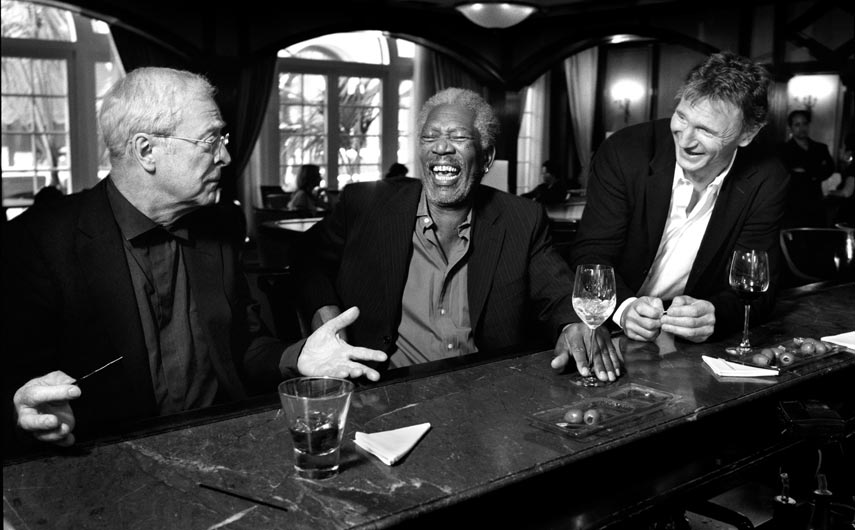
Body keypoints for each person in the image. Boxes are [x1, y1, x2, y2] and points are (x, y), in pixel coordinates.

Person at [2, 67, 385, 451]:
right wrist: (23, 412)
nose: (226, 156)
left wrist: (298, 357)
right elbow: (19, 388)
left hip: (222, 446)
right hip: (104, 461)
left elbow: (243, 347)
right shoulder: (40, 243)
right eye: (210, 140)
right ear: (146, 151)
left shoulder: (221, 226)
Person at [294, 87, 620, 380]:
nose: (441, 147)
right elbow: (306, 257)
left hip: (484, 392)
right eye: (430, 137)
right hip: (383, 390)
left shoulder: (521, 219)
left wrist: (574, 324)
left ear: (486, 158)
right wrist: (326, 314)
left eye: (459, 137)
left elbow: (558, 291)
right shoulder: (366, 205)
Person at [571, 51, 789, 344]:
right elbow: (590, 256)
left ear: (747, 133)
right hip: (609, 329)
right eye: (682, 117)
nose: (685, 140)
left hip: (688, 341)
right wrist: (623, 309)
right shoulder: (625, 151)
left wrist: (716, 314)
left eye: (706, 130)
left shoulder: (766, 178)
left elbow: (758, 288)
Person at [778, 109, 835, 228]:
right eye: (797, 124)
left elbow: (830, 169)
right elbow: (784, 173)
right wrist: (815, 170)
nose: (802, 128)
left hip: (816, 201)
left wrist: (806, 172)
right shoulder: (783, 150)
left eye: (804, 123)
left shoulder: (820, 148)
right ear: (790, 127)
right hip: (793, 203)